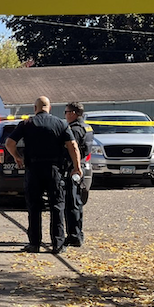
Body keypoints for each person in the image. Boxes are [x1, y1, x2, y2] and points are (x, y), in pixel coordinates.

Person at [5, 96, 82, 255]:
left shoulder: (27, 123)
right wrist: (77, 167)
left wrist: (17, 157)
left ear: (35, 108)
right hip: (54, 170)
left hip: (33, 169)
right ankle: (58, 244)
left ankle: (34, 243)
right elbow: (73, 146)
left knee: (34, 207)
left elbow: (9, 143)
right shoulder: (61, 124)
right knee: (57, 206)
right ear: (50, 108)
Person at [63, 101, 94, 248]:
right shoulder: (86, 127)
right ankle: (77, 234)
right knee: (77, 202)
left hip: (73, 168)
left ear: (73, 113)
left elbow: (72, 149)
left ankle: (74, 236)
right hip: (81, 166)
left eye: (66, 112)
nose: (65, 115)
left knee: (72, 203)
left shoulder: (74, 129)